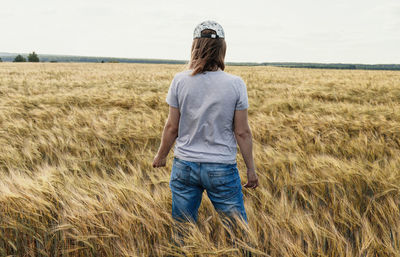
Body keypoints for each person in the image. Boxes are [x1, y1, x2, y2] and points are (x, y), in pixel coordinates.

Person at [152, 20, 258, 234]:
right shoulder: (235, 84)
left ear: (195, 47)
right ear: (222, 50)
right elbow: (242, 132)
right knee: (238, 233)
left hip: (185, 165)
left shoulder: (179, 80)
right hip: (221, 167)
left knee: (182, 231)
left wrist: (161, 155)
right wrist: (251, 169)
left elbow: (172, 126)